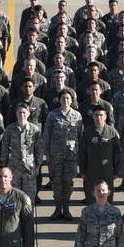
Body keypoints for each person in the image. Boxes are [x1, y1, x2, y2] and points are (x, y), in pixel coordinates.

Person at [43, 88, 83, 220]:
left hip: (71, 156)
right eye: (63, 98)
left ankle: (66, 209)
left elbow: (80, 136)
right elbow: (47, 135)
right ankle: (57, 208)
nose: (65, 100)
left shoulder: (77, 116)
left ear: (72, 100)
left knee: (68, 182)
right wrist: (47, 153)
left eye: (68, 98)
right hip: (56, 155)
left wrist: (79, 155)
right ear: (59, 100)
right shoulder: (53, 115)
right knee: (56, 181)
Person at [78, 104, 122, 203]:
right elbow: (82, 153)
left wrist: (116, 171)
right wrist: (82, 171)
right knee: (91, 195)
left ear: (106, 116)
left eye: (101, 115)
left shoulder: (112, 132)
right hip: (91, 169)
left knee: (107, 195)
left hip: (107, 170)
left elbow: (117, 153)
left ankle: (108, 217)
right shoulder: (87, 133)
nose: (99, 118)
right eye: (96, 115)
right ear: (93, 116)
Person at [0, 103, 44, 201]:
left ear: (28, 114)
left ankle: (29, 216)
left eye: (24, 112)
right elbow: (5, 148)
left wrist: (38, 166)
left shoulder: (34, 129)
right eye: (19, 112)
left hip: (29, 168)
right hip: (14, 168)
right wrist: (4, 165)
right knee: (14, 196)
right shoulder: (10, 129)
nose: (22, 115)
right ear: (16, 113)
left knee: (29, 197)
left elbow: (39, 149)